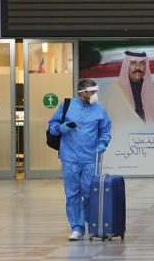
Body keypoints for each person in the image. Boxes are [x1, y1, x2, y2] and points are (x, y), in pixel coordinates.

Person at [47, 79, 111, 241]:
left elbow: (105, 129)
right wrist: (61, 128)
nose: (94, 95)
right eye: (91, 92)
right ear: (82, 93)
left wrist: (103, 143)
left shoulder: (99, 110)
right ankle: (77, 227)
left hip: (90, 158)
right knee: (72, 194)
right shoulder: (67, 105)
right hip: (69, 157)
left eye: (95, 92)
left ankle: (92, 223)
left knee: (90, 193)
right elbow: (52, 126)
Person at [102, 50, 154, 126]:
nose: (137, 67)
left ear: (145, 66)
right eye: (133, 63)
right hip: (122, 136)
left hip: (150, 135)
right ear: (126, 65)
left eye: (142, 63)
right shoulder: (113, 90)